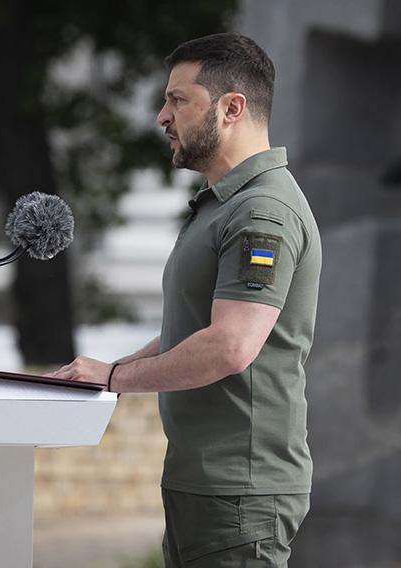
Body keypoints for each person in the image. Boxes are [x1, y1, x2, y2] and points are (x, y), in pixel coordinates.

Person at [48, 32, 321, 567]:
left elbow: (228, 346)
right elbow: (198, 328)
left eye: (178, 100)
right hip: (211, 485)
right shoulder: (227, 205)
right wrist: (110, 370)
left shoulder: (261, 213)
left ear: (231, 108)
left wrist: (113, 379)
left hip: (239, 492)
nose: (161, 116)